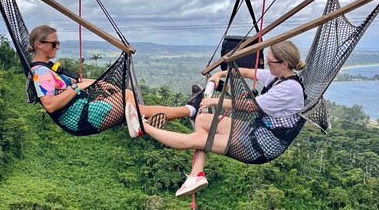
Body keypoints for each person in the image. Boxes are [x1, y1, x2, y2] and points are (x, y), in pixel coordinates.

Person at [125, 40, 306, 197]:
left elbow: (251, 106)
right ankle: (197, 174)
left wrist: (215, 101)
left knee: (197, 140)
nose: (268, 65)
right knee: (203, 121)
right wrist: (220, 74)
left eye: (271, 62)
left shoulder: (289, 89)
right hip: (257, 130)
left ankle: (142, 127)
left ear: (284, 63)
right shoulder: (278, 77)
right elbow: (248, 73)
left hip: (262, 145)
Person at [28, 25, 201, 135]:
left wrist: (99, 82)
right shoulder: (40, 73)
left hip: (81, 111)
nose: (57, 47)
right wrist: (78, 88)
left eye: (58, 43)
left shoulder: (48, 68)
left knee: (137, 108)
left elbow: (73, 81)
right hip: (79, 118)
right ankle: (143, 124)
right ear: (39, 45)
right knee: (127, 96)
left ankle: (190, 110)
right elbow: (50, 105)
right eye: (53, 44)